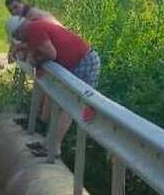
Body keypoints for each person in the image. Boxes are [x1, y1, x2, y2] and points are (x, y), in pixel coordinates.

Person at [10, 18, 101, 158]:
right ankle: (48, 143)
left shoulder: (33, 30)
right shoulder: (35, 29)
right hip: (79, 61)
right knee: (61, 102)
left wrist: (36, 61)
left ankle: (54, 147)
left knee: (69, 106)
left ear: (20, 30)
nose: (19, 39)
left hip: (84, 62)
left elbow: (50, 53)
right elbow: (42, 46)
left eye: (17, 37)